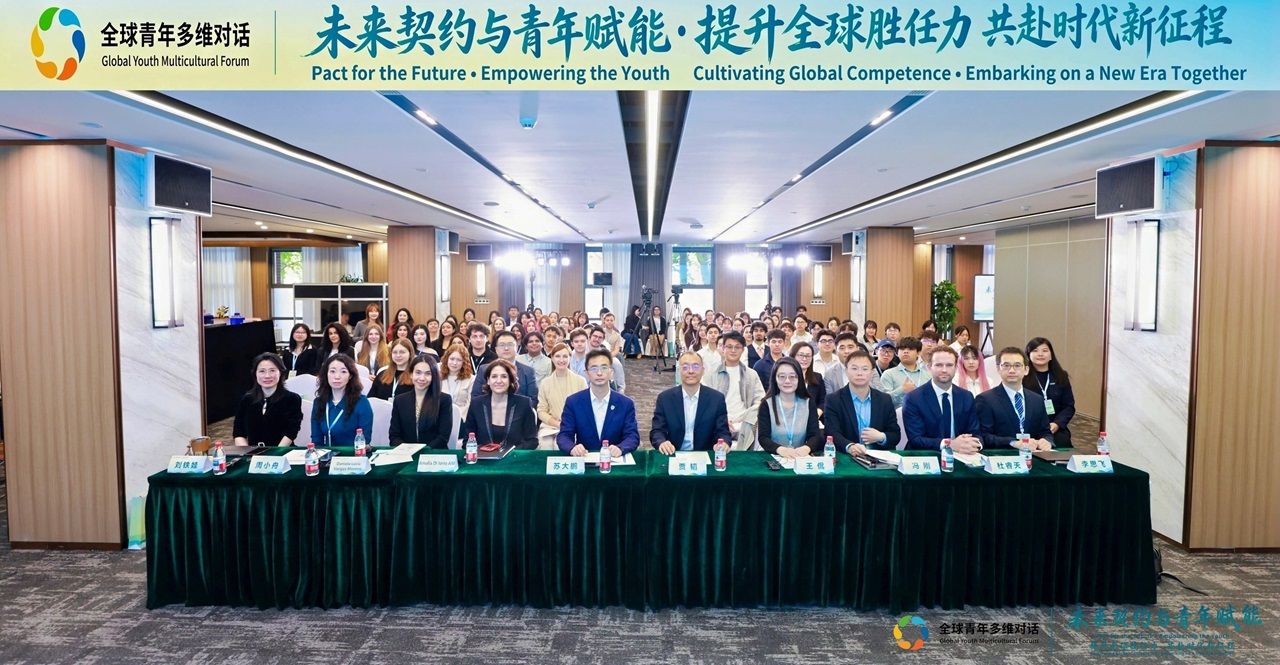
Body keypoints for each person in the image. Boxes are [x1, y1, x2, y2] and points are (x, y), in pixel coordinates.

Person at [556, 349, 641, 457]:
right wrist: (572, 448)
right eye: (594, 368)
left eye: (604, 368)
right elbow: (564, 435)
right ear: (587, 373)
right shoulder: (573, 402)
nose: (599, 373)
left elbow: (632, 436)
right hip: (585, 459)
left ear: (611, 372)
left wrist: (621, 448)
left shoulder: (625, 404)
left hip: (614, 460)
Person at [902, 346, 981, 453]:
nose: (944, 370)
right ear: (929, 367)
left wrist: (974, 444)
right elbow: (916, 439)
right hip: (926, 455)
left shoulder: (966, 396)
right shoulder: (913, 398)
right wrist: (949, 444)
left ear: (956, 368)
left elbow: (975, 433)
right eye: (939, 365)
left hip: (962, 454)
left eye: (949, 365)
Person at [651, 352, 733, 455]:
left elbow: (723, 431)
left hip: (705, 455)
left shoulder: (716, 399)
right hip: (673, 453)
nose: (690, 371)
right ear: (679, 371)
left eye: (696, 367)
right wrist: (662, 442)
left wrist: (724, 443)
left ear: (703, 370)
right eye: (685, 367)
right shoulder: (665, 398)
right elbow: (657, 431)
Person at [822, 350, 900, 455]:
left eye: (865, 369)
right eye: (854, 368)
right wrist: (849, 446)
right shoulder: (833, 400)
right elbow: (832, 432)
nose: (859, 373)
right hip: (847, 457)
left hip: (878, 457)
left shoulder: (884, 399)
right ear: (846, 371)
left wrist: (881, 437)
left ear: (872, 372)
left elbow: (895, 434)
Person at [976, 347, 1054, 451]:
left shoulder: (1037, 400)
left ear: (1026, 370)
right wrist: (1013, 443)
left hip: (1033, 455)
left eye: (1017, 365)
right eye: (1006, 365)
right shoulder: (985, 399)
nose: (1012, 370)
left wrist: (1046, 441)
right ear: (998, 369)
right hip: (1002, 455)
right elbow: (984, 436)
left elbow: (1046, 432)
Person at [702, 331, 765, 451]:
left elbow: (760, 400)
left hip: (745, 423)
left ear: (743, 350)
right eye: (729, 347)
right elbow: (705, 402)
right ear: (723, 348)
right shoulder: (711, 374)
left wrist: (746, 418)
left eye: (737, 347)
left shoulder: (751, 374)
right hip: (718, 423)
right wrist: (722, 419)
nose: (733, 350)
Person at [461, 359, 538, 449]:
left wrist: (509, 453)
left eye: (504, 376)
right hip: (483, 456)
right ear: (488, 380)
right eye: (494, 376)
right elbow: (467, 441)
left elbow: (532, 441)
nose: (498, 381)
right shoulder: (476, 404)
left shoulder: (524, 403)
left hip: (513, 456)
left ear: (510, 380)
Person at [232, 353, 303, 446]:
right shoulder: (247, 399)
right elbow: (238, 432)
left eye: (272, 370)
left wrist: (275, 452)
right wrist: (246, 452)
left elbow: (291, 432)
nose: (267, 376)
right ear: (255, 374)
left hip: (282, 451)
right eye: (262, 371)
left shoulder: (292, 399)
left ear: (281, 372)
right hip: (253, 452)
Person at [756, 357, 821, 457]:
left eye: (792, 376)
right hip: (773, 456)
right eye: (782, 376)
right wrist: (780, 450)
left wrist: (806, 448)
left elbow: (815, 435)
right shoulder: (766, 404)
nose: (787, 381)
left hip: (800, 456)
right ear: (775, 379)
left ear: (799, 379)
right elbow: (763, 438)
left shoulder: (808, 403)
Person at [388, 354, 454, 448]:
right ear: (411, 374)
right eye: (418, 373)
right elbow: (394, 436)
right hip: (406, 453)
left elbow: (443, 437)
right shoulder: (400, 400)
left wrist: (422, 451)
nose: (422, 378)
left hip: (433, 453)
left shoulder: (444, 400)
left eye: (428, 373)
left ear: (434, 376)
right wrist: (407, 451)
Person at [311, 354, 375, 447]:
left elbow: (365, 440)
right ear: (326, 374)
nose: (337, 376)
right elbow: (316, 440)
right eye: (332, 371)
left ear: (350, 376)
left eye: (343, 372)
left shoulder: (361, 402)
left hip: (353, 454)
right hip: (327, 454)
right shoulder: (319, 403)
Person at [1023, 337, 1076, 447]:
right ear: (1028, 355)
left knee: (1062, 443)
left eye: (1045, 350)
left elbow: (1068, 406)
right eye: (1035, 350)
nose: (1040, 354)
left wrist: (1057, 423)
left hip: (1054, 427)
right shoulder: (1022, 377)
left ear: (1051, 355)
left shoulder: (1061, 376)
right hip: (1029, 428)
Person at [536, 343, 588, 449]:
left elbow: (585, 408)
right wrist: (557, 424)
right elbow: (541, 411)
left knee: (559, 445)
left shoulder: (580, 381)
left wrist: (568, 424)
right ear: (552, 358)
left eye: (565, 356)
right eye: (557, 356)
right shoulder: (545, 383)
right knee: (546, 445)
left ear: (570, 358)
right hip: (550, 426)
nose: (561, 360)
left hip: (573, 426)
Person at [471, 330, 540, 410]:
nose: (506, 348)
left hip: (519, 414)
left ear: (517, 347)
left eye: (510, 344)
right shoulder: (484, 369)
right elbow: (475, 397)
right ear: (496, 349)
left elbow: (533, 400)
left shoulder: (528, 371)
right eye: (502, 345)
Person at [879, 336, 929, 408]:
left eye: (910, 349)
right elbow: (882, 401)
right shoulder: (888, 374)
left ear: (918, 353)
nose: (905, 351)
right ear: (897, 353)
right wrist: (902, 390)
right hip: (897, 414)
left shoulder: (927, 376)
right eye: (902, 349)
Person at [789, 341, 827, 413]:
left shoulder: (817, 377)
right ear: (793, 356)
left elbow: (823, 401)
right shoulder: (785, 378)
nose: (804, 359)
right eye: (801, 355)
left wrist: (816, 414)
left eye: (808, 356)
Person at [587, 326, 627, 392]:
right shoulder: (580, 352)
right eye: (595, 336)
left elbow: (620, 383)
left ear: (603, 340)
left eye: (600, 337)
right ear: (590, 337)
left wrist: (621, 391)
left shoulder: (607, 357)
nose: (597, 339)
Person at [439, 343, 474, 415]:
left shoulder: (471, 379)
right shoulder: (438, 376)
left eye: (459, 360)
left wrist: (458, 416)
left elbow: (469, 403)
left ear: (464, 362)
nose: (454, 363)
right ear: (446, 359)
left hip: (461, 417)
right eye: (452, 359)